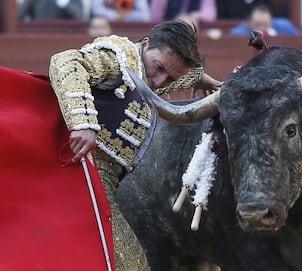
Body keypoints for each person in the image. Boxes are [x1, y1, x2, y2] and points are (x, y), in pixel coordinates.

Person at [48, 20, 221, 271]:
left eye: (169, 77)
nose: (160, 82)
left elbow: (177, 75)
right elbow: (66, 62)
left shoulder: (146, 71)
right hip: (78, 176)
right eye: (159, 67)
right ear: (146, 44)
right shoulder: (122, 56)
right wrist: (82, 122)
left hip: (96, 186)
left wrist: (207, 81)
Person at [229, 3, 300, 36]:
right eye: (257, 24)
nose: (261, 28)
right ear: (250, 22)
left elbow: (299, 41)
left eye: (265, 24)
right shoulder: (239, 32)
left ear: (271, 21)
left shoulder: (284, 26)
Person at [150, 0, 217, 25]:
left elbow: (210, 15)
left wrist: (195, 16)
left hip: (195, 34)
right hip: (167, 33)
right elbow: (155, 17)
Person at [19, 0, 85, 21]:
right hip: (39, 37)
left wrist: (65, 3)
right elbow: (19, 15)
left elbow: (80, 16)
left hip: (64, 37)